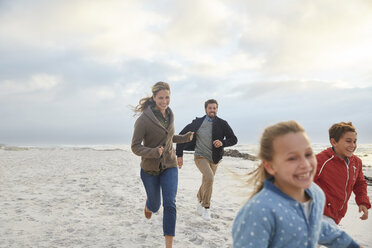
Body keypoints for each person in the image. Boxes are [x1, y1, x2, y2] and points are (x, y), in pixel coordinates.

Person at [232, 120, 361, 248]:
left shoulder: (316, 194)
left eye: (308, 154)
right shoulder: (258, 211)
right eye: (292, 158)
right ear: (270, 166)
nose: (305, 164)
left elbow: (318, 227)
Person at [131, 81, 193, 248]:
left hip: (170, 165)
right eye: (161, 98)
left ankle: (169, 245)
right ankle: (149, 204)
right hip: (150, 169)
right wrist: (153, 152)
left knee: (170, 203)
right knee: (156, 206)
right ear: (154, 97)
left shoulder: (170, 115)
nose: (164, 101)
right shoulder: (143, 120)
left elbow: (169, 137)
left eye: (167, 97)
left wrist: (185, 137)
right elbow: (135, 146)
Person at [176, 99, 237, 220]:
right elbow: (180, 137)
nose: (212, 110)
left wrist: (222, 142)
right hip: (200, 156)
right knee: (210, 178)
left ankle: (199, 198)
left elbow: (234, 139)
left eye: (214, 108)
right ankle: (206, 207)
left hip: (215, 158)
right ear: (205, 109)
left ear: (217, 109)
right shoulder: (197, 123)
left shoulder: (222, 123)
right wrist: (179, 155)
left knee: (207, 181)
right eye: (210, 108)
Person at [314, 122, 371, 227]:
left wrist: (362, 202)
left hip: (337, 214)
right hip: (318, 212)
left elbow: (360, 183)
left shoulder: (356, 162)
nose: (353, 145)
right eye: (348, 141)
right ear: (334, 142)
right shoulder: (321, 160)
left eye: (355, 141)